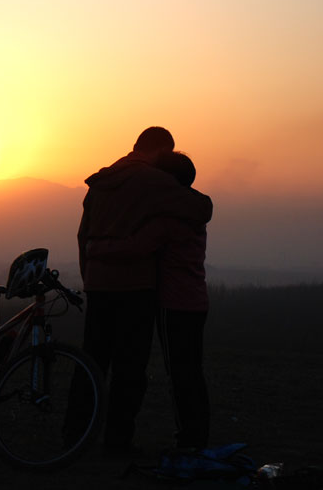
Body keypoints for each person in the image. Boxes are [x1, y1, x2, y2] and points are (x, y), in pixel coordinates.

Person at [63, 127, 212, 455]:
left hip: (99, 285)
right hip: (136, 287)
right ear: (162, 151)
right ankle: (117, 442)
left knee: (92, 361)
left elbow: (82, 235)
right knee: (129, 368)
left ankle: (74, 437)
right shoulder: (154, 181)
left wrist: (91, 275)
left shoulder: (101, 182)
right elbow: (202, 209)